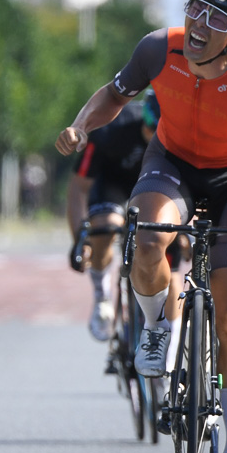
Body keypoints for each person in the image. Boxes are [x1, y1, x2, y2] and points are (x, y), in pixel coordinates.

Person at [55, 0, 227, 453]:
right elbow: (113, 94)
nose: (200, 24)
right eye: (194, 8)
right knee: (147, 238)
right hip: (172, 164)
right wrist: (80, 125)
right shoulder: (160, 48)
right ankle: (158, 326)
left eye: (216, 17)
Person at [66, 91, 161, 341]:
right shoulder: (110, 129)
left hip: (152, 186)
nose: (153, 141)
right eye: (151, 134)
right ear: (145, 122)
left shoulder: (176, 138)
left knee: (155, 235)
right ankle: (102, 296)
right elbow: (78, 188)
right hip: (112, 184)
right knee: (107, 226)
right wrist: (80, 239)